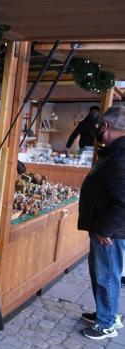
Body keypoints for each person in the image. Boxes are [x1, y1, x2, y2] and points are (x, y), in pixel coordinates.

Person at [78, 106, 125, 340]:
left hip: (108, 232)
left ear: (106, 126)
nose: (97, 128)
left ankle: (106, 322)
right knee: (102, 273)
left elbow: (123, 200)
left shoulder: (120, 155)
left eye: (99, 125)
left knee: (107, 275)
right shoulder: (116, 151)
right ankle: (105, 312)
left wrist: (105, 228)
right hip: (105, 227)